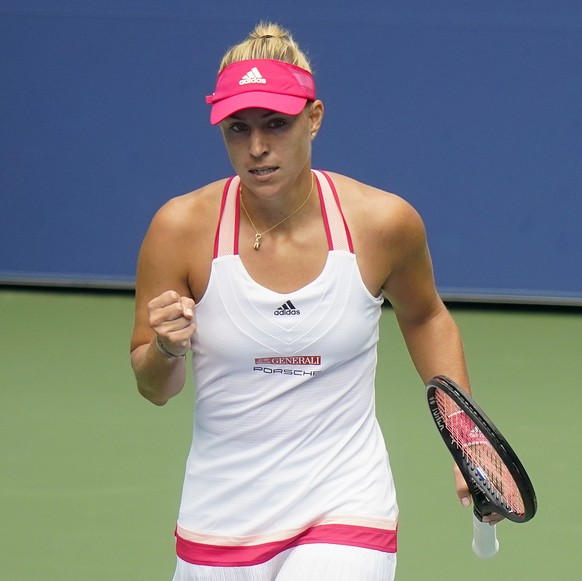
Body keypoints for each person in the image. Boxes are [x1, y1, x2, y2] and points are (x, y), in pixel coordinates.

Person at [130, 21, 499, 581]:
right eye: (238, 129)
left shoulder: (381, 223)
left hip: (346, 505)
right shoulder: (179, 230)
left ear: (314, 118)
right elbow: (155, 388)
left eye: (276, 125)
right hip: (220, 516)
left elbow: (425, 316)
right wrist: (165, 348)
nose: (257, 148)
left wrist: (467, 440)